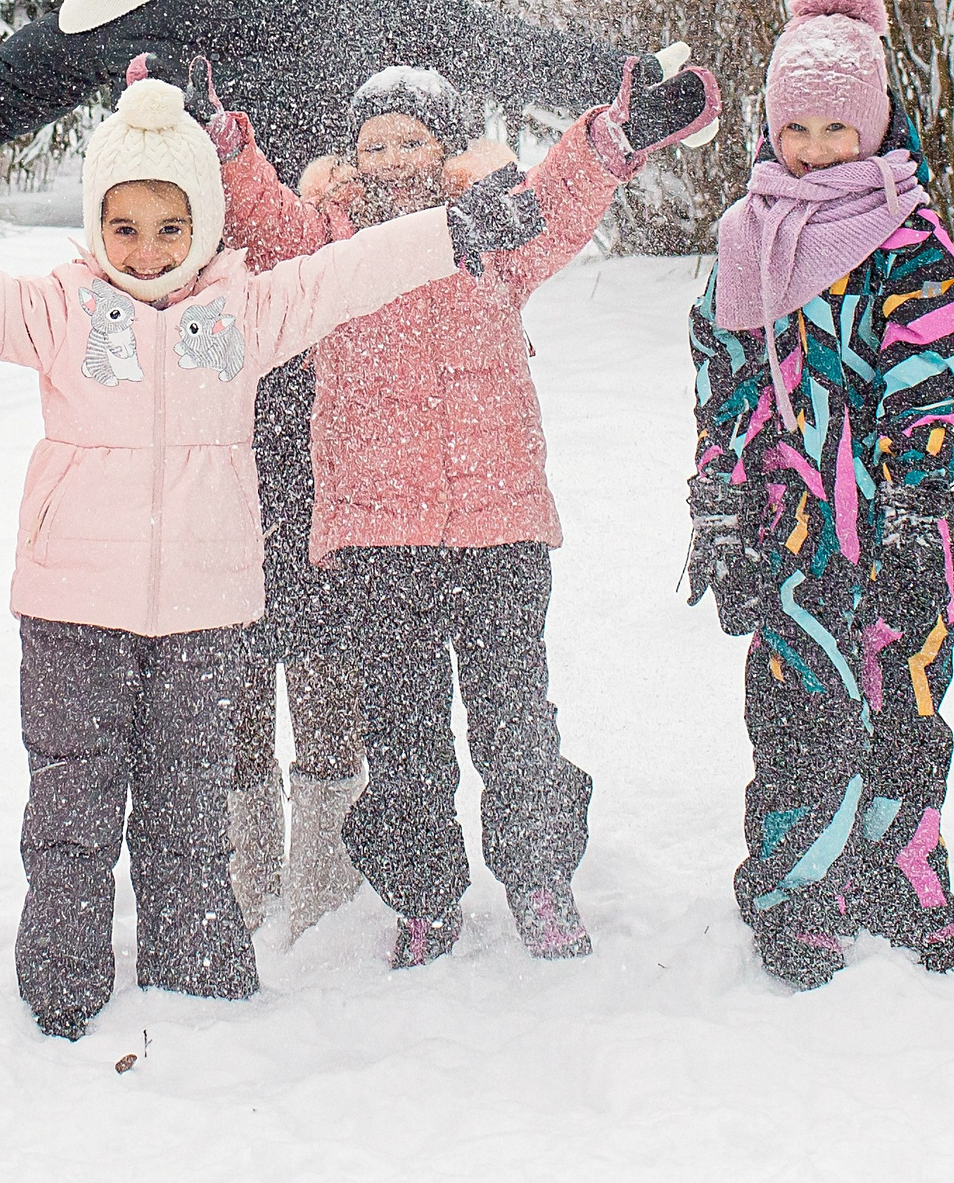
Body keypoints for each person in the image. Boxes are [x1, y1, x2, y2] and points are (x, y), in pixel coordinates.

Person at [0, 0, 704, 933]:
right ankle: (230, 854)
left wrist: (612, 79)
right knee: (213, 584)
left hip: (339, 321)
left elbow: (469, 39)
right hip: (195, 329)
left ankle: (329, 855)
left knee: (327, 588)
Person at [0, 74, 550, 1038]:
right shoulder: (61, 312)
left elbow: (350, 272)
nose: (148, 250)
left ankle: (192, 955)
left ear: (202, 222)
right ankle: (63, 969)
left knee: (187, 803)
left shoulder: (244, 312)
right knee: (72, 801)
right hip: (74, 606)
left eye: (170, 226)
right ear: (95, 225)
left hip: (203, 608)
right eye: (125, 227)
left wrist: (455, 230)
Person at [216, 59, 720, 964]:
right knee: (406, 729)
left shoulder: (493, 228)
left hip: (499, 522)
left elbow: (561, 197)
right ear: (351, 158)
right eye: (375, 144)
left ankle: (538, 877)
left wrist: (611, 138)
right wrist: (228, 149)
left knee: (515, 717)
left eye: (412, 139)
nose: (395, 157)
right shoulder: (328, 246)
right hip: (380, 535)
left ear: (445, 147)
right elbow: (261, 217)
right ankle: (422, 898)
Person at [682, 0, 954, 990]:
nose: (817, 152)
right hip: (789, 520)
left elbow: (927, 382)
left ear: (873, 126)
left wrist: (916, 495)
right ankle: (796, 885)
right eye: (798, 133)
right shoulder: (744, 241)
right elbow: (723, 383)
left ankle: (901, 870)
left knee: (906, 686)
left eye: (837, 131)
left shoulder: (911, 239)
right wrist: (718, 505)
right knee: (802, 699)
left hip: (898, 513)